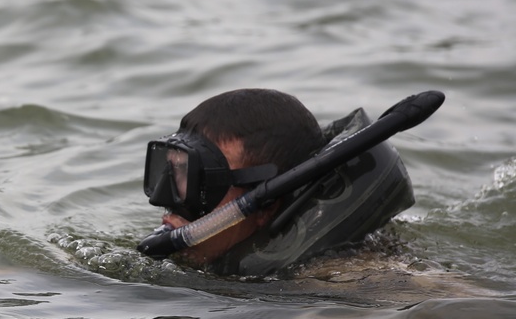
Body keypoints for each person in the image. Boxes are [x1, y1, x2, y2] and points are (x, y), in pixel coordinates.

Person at [140, 88, 415, 278]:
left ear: (266, 205)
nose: (166, 199)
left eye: (196, 180)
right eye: (174, 172)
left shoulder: (336, 277)